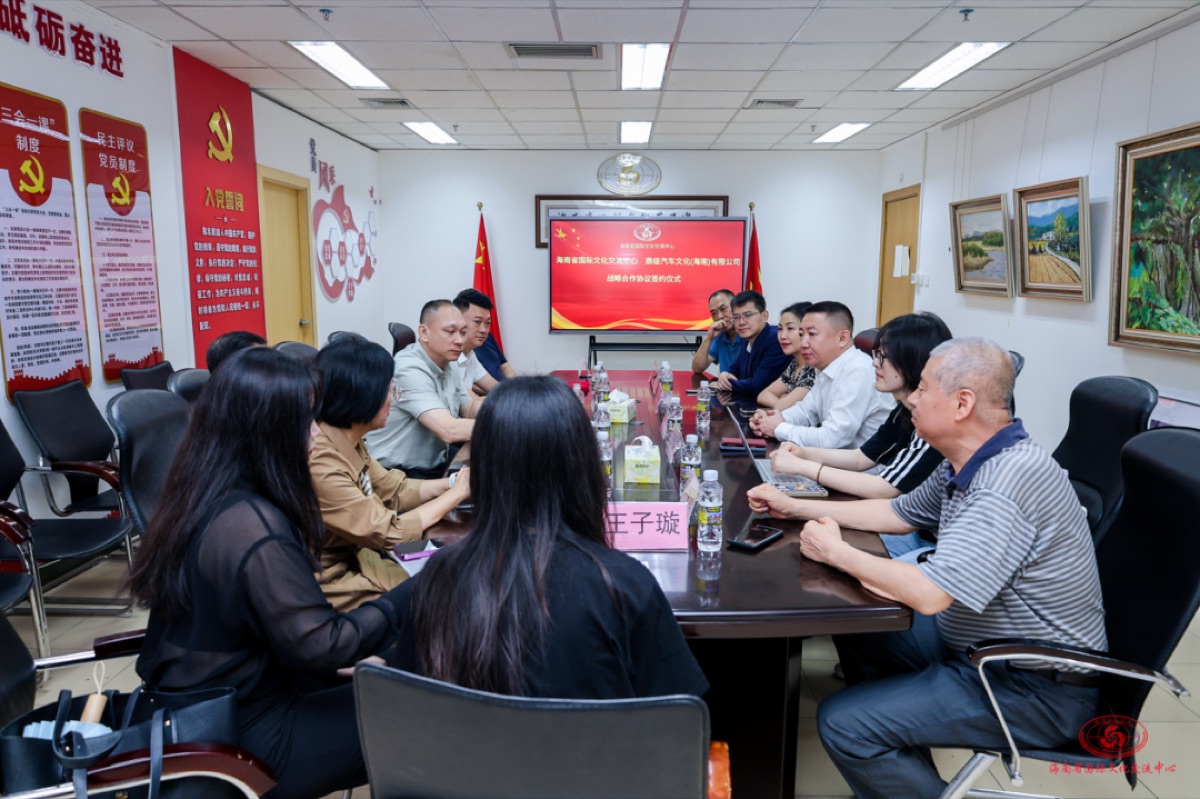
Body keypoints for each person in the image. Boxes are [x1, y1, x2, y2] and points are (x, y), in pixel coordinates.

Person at [747, 338, 1106, 799]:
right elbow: (898, 513)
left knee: (844, 724)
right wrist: (793, 506)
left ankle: (890, 757)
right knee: (861, 627)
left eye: (923, 388)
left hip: (1031, 687)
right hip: (979, 645)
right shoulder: (970, 458)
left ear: (962, 403)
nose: (911, 398)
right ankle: (897, 764)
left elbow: (929, 594)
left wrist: (835, 552)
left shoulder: (1006, 481)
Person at [130, 347, 405, 799]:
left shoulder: (206, 491)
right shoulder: (252, 529)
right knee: (423, 716)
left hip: (219, 700)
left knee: (390, 674)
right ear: (270, 430)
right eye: (307, 420)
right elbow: (323, 644)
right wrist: (414, 595)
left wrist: (347, 661)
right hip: (241, 740)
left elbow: (288, 636)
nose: (316, 432)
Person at [387, 376, 709, 700]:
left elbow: (411, 705)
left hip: (470, 750)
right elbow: (678, 716)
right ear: (582, 467)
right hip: (595, 751)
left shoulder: (438, 578)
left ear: (483, 468)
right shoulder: (624, 584)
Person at [769, 311, 952, 559]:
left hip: (926, 540)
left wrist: (804, 467)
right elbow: (860, 457)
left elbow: (885, 488)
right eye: (876, 355)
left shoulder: (935, 423)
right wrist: (804, 453)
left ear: (912, 361)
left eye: (884, 357)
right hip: (899, 518)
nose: (874, 363)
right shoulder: (903, 411)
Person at [310, 335, 472, 610]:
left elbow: (392, 489)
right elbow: (387, 530)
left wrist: (455, 482)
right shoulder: (321, 458)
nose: (393, 399)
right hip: (338, 582)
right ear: (362, 394)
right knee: (454, 598)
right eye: (389, 390)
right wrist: (457, 493)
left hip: (366, 559)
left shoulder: (348, 437)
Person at [366, 299, 482, 479]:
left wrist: (508, 407)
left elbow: (470, 408)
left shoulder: (448, 362)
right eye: (450, 332)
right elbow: (449, 430)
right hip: (399, 474)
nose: (459, 340)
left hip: (436, 460)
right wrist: (507, 424)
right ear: (424, 332)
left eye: (463, 332)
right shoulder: (408, 369)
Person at [751, 300, 891, 448]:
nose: (804, 343)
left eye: (811, 334)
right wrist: (775, 418)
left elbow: (833, 438)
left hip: (862, 469)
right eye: (801, 334)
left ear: (842, 338)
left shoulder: (857, 371)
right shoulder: (825, 367)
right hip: (833, 461)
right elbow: (806, 411)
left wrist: (778, 428)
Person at [712, 290, 790, 397]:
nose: (741, 322)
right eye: (736, 317)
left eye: (747, 315)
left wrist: (723, 384)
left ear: (764, 316)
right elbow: (735, 369)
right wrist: (724, 374)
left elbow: (757, 385)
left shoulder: (775, 340)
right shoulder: (746, 338)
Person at [756, 301, 817, 410]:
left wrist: (783, 401)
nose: (782, 336)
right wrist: (782, 402)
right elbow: (763, 395)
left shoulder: (814, 367)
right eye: (780, 329)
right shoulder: (794, 364)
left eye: (790, 328)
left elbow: (782, 405)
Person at [452, 288, 500, 397]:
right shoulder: (447, 358)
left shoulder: (469, 354)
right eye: (477, 322)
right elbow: (470, 404)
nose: (484, 330)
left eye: (487, 323)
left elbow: (495, 387)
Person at [690, 288, 741, 375]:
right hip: (725, 387)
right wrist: (708, 338)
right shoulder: (720, 336)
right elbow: (697, 368)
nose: (719, 316)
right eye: (714, 313)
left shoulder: (748, 333)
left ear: (736, 307)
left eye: (723, 309)